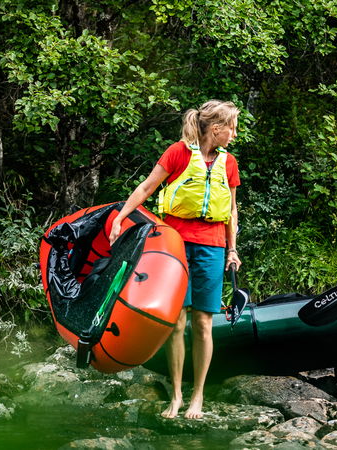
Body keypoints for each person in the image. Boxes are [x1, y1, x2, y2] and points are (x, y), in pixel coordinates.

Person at [108, 100, 242, 419]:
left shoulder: (230, 163)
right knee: (176, 321)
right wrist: (120, 217)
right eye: (232, 128)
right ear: (216, 128)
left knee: (203, 323)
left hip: (212, 246)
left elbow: (232, 211)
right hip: (174, 244)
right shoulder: (178, 153)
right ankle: (177, 395)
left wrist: (232, 249)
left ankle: (198, 397)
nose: (234, 135)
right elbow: (147, 186)